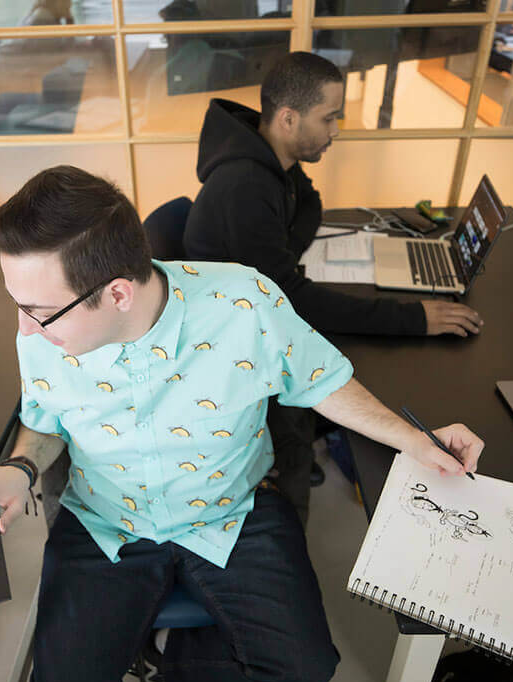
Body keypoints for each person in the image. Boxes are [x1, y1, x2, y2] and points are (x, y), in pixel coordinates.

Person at [0, 165, 485, 682]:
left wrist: (413, 440)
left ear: (117, 293)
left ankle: (162, 670)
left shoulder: (245, 304)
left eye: (39, 313)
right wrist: (19, 468)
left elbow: (323, 381)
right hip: (105, 517)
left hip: (231, 506)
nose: (25, 329)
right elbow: (45, 418)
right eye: (19, 306)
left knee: (303, 670)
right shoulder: (47, 328)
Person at [183, 52, 483, 513]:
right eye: (328, 118)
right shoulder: (244, 185)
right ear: (288, 118)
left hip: (254, 319)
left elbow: (310, 204)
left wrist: (284, 248)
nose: (335, 130)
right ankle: (288, 503)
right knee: (371, 361)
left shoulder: (271, 159)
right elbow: (293, 302)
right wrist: (413, 319)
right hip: (232, 352)